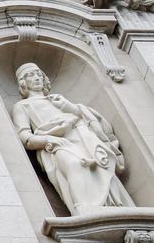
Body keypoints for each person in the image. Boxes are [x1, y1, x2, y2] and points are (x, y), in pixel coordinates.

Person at [11, 62, 133, 215]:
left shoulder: (59, 99)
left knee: (101, 166)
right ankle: (83, 209)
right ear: (23, 82)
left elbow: (90, 119)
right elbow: (25, 137)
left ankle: (114, 207)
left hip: (83, 135)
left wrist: (69, 107)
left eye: (39, 74)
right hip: (57, 143)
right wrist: (49, 139)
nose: (36, 78)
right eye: (30, 75)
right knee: (74, 165)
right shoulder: (22, 106)